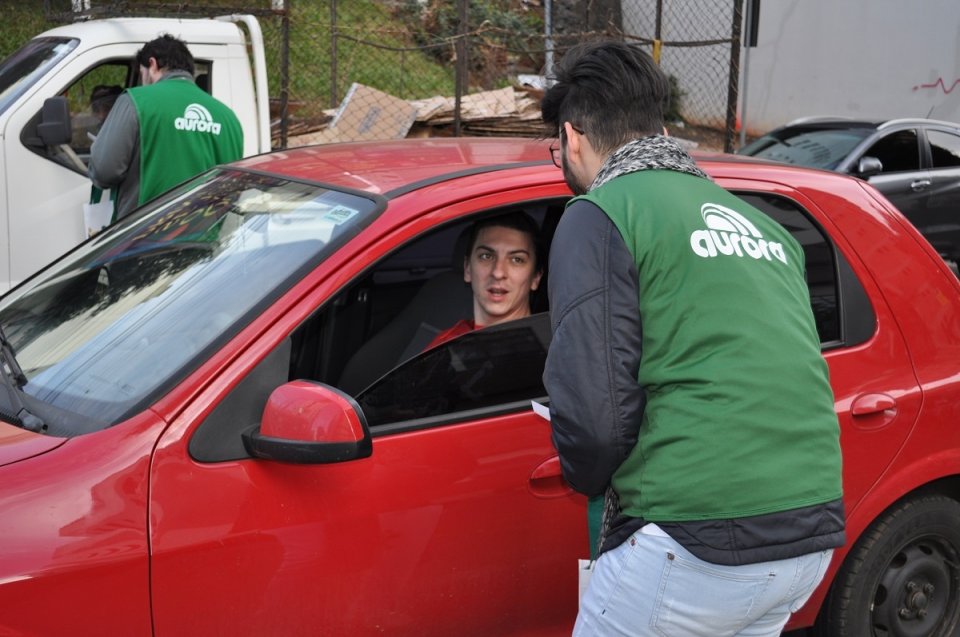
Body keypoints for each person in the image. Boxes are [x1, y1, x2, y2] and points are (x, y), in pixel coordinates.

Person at [541, 40, 845, 637]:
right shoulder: (763, 225)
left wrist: (588, 476)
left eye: (557, 150)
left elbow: (594, 417)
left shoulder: (601, 212)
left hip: (693, 541)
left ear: (573, 138)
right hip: (808, 538)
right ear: (656, 127)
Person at [89, 34, 243, 221]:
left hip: (145, 238)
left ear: (152, 64)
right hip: (207, 241)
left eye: (141, 73)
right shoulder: (228, 118)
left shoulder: (136, 101)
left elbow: (103, 171)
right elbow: (232, 189)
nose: (142, 81)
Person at [426, 212, 543, 349]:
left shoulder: (551, 354)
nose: (498, 272)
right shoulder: (444, 345)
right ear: (468, 268)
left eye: (516, 259)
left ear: (536, 277)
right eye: (486, 256)